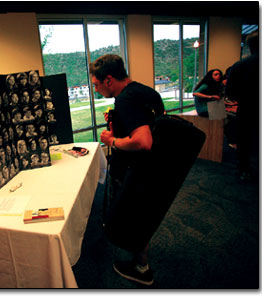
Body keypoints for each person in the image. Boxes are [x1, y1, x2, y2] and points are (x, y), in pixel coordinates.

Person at [90, 54, 165, 286]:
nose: (96, 90)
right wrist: (120, 123)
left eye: (96, 85)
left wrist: (112, 141)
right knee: (142, 218)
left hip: (133, 172)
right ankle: (140, 262)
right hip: (152, 169)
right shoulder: (146, 91)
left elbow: (144, 141)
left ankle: (142, 269)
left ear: (109, 79)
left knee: (133, 220)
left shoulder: (125, 100)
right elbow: (150, 127)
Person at [225, 33, 259, 181]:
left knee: (244, 140)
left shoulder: (240, 65)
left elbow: (230, 92)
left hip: (248, 108)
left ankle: (243, 170)